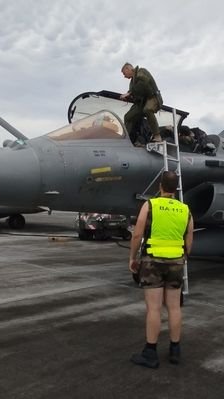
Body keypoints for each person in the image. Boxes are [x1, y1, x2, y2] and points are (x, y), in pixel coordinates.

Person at [129, 171, 194, 368]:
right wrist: (183, 257)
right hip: (176, 263)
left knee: (154, 308)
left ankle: (150, 353)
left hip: (153, 263)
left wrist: (132, 257)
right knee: (174, 307)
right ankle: (175, 350)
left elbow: (137, 234)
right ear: (175, 188)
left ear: (160, 186)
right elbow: (189, 239)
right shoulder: (185, 210)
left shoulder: (150, 205)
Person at [120, 62, 163, 145]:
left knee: (148, 110)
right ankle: (127, 139)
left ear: (128, 69)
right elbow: (136, 93)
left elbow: (144, 84)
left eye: (124, 73)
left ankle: (157, 136)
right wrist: (129, 97)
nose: (124, 76)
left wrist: (130, 93)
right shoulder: (132, 82)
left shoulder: (141, 71)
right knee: (128, 117)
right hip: (141, 103)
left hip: (153, 97)